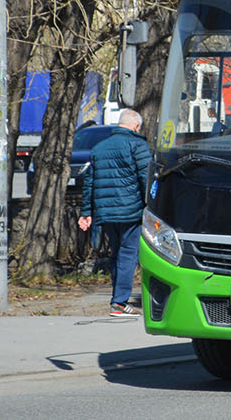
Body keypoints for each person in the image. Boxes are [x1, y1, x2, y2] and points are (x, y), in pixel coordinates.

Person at [79, 109, 152, 316]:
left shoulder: (99, 148)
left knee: (117, 254)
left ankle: (117, 298)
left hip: (106, 212)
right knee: (128, 254)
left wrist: (86, 212)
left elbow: (89, 184)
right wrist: (153, 206)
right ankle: (119, 302)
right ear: (136, 126)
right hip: (130, 210)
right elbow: (146, 179)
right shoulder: (138, 145)